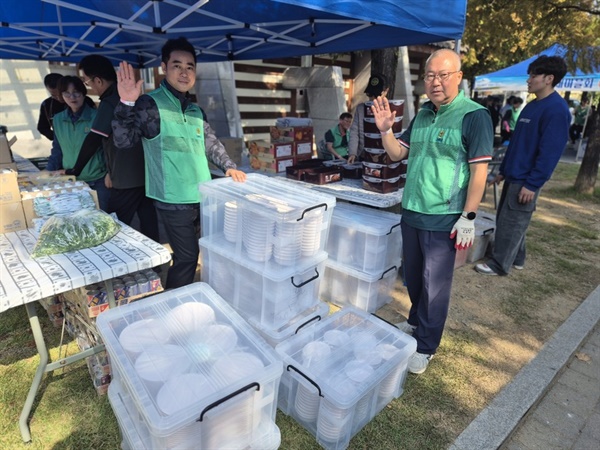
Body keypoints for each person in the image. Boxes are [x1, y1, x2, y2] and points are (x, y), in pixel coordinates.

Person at [371, 49, 493, 374]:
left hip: (444, 219)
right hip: (412, 212)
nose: (435, 82)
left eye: (443, 75)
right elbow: (397, 154)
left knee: (434, 285)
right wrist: (385, 130)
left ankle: (427, 346)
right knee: (413, 278)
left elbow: (479, 172)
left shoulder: (474, 115)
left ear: (458, 77)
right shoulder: (423, 114)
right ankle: (415, 324)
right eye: (430, 75)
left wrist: (469, 216)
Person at [112, 37, 246, 289]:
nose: (184, 72)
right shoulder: (150, 104)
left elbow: (210, 142)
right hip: (172, 198)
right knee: (186, 257)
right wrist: (127, 103)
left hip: (202, 195)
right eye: (177, 65)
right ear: (164, 67)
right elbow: (123, 141)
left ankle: (194, 295)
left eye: (190, 66)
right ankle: (175, 304)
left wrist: (229, 166)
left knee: (201, 251)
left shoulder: (195, 110)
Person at [475, 55, 571, 277]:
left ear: (549, 79)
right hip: (514, 174)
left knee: (513, 221)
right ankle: (517, 257)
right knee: (510, 217)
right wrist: (502, 172)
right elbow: (517, 144)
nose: (529, 80)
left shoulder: (556, 110)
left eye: (534, 75)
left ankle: (499, 264)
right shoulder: (531, 106)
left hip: (526, 179)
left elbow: (550, 153)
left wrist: (533, 183)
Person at [67, 54, 159, 242]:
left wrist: (76, 169)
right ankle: (155, 264)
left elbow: (94, 139)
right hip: (146, 173)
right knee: (149, 219)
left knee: (113, 224)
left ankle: (116, 265)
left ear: (98, 80)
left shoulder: (109, 102)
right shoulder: (135, 98)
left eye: (87, 82)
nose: (89, 87)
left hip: (126, 176)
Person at [45, 76, 109, 209]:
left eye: (76, 92)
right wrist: (47, 174)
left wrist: (110, 173)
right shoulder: (58, 120)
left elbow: (108, 148)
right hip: (70, 181)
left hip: (97, 179)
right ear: (61, 96)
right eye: (66, 93)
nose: (72, 97)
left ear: (84, 93)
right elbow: (57, 150)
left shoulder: (97, 116)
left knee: (102, 217)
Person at [347, 73, 389, 163]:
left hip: (383, 156)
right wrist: (352, 153)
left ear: (386, 91)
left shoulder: (390, 110)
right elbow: (354, 132)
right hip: (363, 154)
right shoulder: (361, 108)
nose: (372, 98)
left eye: (376, 94)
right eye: (370, 94)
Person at [37, 73, 67, 141]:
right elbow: (42, 127)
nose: (59, 98)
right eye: (54, 95)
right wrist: (57, 138)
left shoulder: (79, 100)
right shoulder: (46, 105)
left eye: (61, 94)